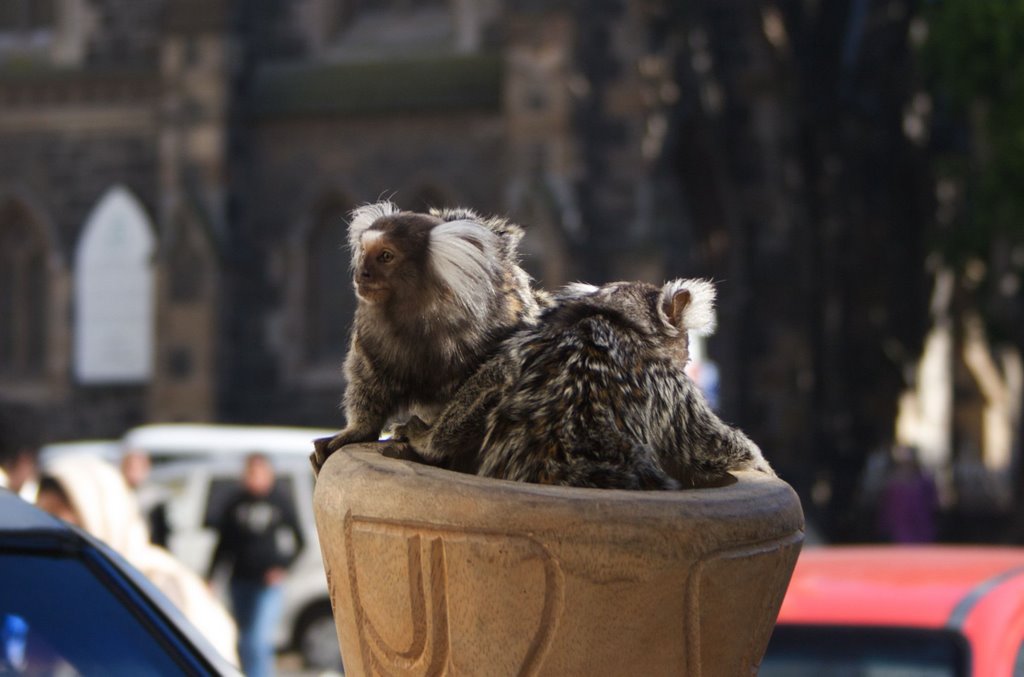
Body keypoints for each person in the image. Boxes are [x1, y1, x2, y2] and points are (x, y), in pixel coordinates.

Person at [35, 454, 238, 665]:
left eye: (62, 519)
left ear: (101, 514)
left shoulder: (159, 584)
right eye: (44, 518)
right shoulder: (51, 591)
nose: (53, 534)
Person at [207, 453, 305, 677]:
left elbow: (300, 542)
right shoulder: (235, 503)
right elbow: (223, 545)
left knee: (258, 639)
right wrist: (211, 577)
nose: (255, 477)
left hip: (267, 583)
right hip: (240, 579)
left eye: (260, 473)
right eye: (251, 472)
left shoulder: (279, 500)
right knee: (242, 639)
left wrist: (282, 567)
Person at [121, 448, 172, 547]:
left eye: (137, 468)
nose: (133, 472)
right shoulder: (117, 494)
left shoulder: (156, 497)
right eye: (130, 468)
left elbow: (161, 533)